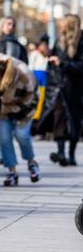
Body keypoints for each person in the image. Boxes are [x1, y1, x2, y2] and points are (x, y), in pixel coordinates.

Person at [0, 52, 40, 185]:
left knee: (22, 135)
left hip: (23, 108)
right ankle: (12, 172)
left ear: (4, 78)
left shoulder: (24, 76)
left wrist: (17, 108)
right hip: (3, 109)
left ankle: (31, 163)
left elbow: (32, 97)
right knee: (4, 138)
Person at [46, 15, 83, 166]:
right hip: (58, 87)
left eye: (62, 24)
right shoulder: (58, 41)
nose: (59, 27)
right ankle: (61, 153)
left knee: (74, 120)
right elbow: (52, 64)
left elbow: (81, 66)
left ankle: (71, 155)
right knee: (59, 118)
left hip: (75, 88)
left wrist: (63, 64)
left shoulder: (80, 41)